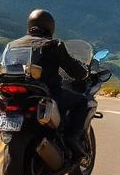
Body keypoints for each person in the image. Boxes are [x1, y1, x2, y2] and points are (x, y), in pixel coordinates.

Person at [8, 9, 90, 158]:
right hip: (47, 93)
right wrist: (83, 71)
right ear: (50, 27)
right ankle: (73, 138)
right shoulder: (53, 45)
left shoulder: (12, 45)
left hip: (16, 95)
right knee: (82, 101)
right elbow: (75, 71)